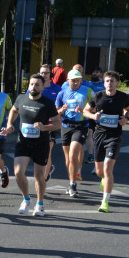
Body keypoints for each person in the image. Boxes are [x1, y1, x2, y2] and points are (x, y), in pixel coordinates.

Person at [2, 73, 60, 217]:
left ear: (43, 86)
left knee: (39, 175)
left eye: (37, 85)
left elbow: (58, 124)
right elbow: (14, 111)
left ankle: (40, 204)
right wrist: (9, 125)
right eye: (31, 84)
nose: (33, 87)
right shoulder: (21, 98)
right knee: (17, 172)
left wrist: (44, 127)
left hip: (41, 143)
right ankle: (26, 199)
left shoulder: (47, 103)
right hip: (23, 142)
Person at [84, 71, 129, 213]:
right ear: (103, 83)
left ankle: (104, 202)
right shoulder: (97, 96)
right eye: (107, 81)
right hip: (99, 135)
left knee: (107, 169)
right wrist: (94, 116)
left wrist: (126, 119)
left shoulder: (122, 97)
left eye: (112, 81)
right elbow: (86, 111)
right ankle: (103, 179)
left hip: (115, 136)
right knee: (100, 171)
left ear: (117, 83)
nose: (109, 83)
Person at [55, 69, 93, 198]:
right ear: (68, 81)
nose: (76, 83)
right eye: (73, 81)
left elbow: (96, 106)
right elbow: (56, 112)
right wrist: (62, 109)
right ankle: (72, 177)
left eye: (78, 80)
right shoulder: (62, 93)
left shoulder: (87, 91)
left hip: (81, 126)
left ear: (81, 80)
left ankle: (73, 184)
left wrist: (85, 110)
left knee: (73, 155)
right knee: (68, 159)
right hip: (66, 126)